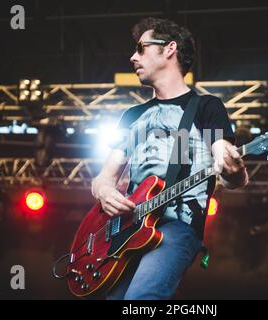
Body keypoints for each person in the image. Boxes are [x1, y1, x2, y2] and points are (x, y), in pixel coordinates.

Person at [91, 17, 248, 300]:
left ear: (169, 49)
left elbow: (228, 169)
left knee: (141, 300)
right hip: (126, 231)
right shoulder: (132, 116)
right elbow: (104, 177)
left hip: (176, 227)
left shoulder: (206, 108)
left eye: (141, 48)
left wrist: (233, 169)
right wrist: (104, 191)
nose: (132, 57)